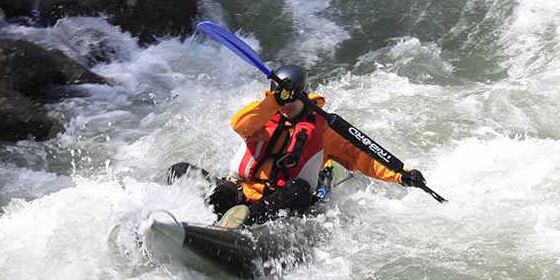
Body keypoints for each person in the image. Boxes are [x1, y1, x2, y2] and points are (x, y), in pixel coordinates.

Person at [167, 64, 430, 226]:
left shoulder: (321, 128)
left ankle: (242, 221)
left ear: (305, 95)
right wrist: (274, 100)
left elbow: (360, 157)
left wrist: (401, 174)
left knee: (300, 189)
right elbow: (239, 124)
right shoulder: (262, 116)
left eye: (294, 97)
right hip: (242, 194)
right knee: (179, 170)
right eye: (283, 98)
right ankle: (210, 218)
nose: (288, 103)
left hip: (278, 203)